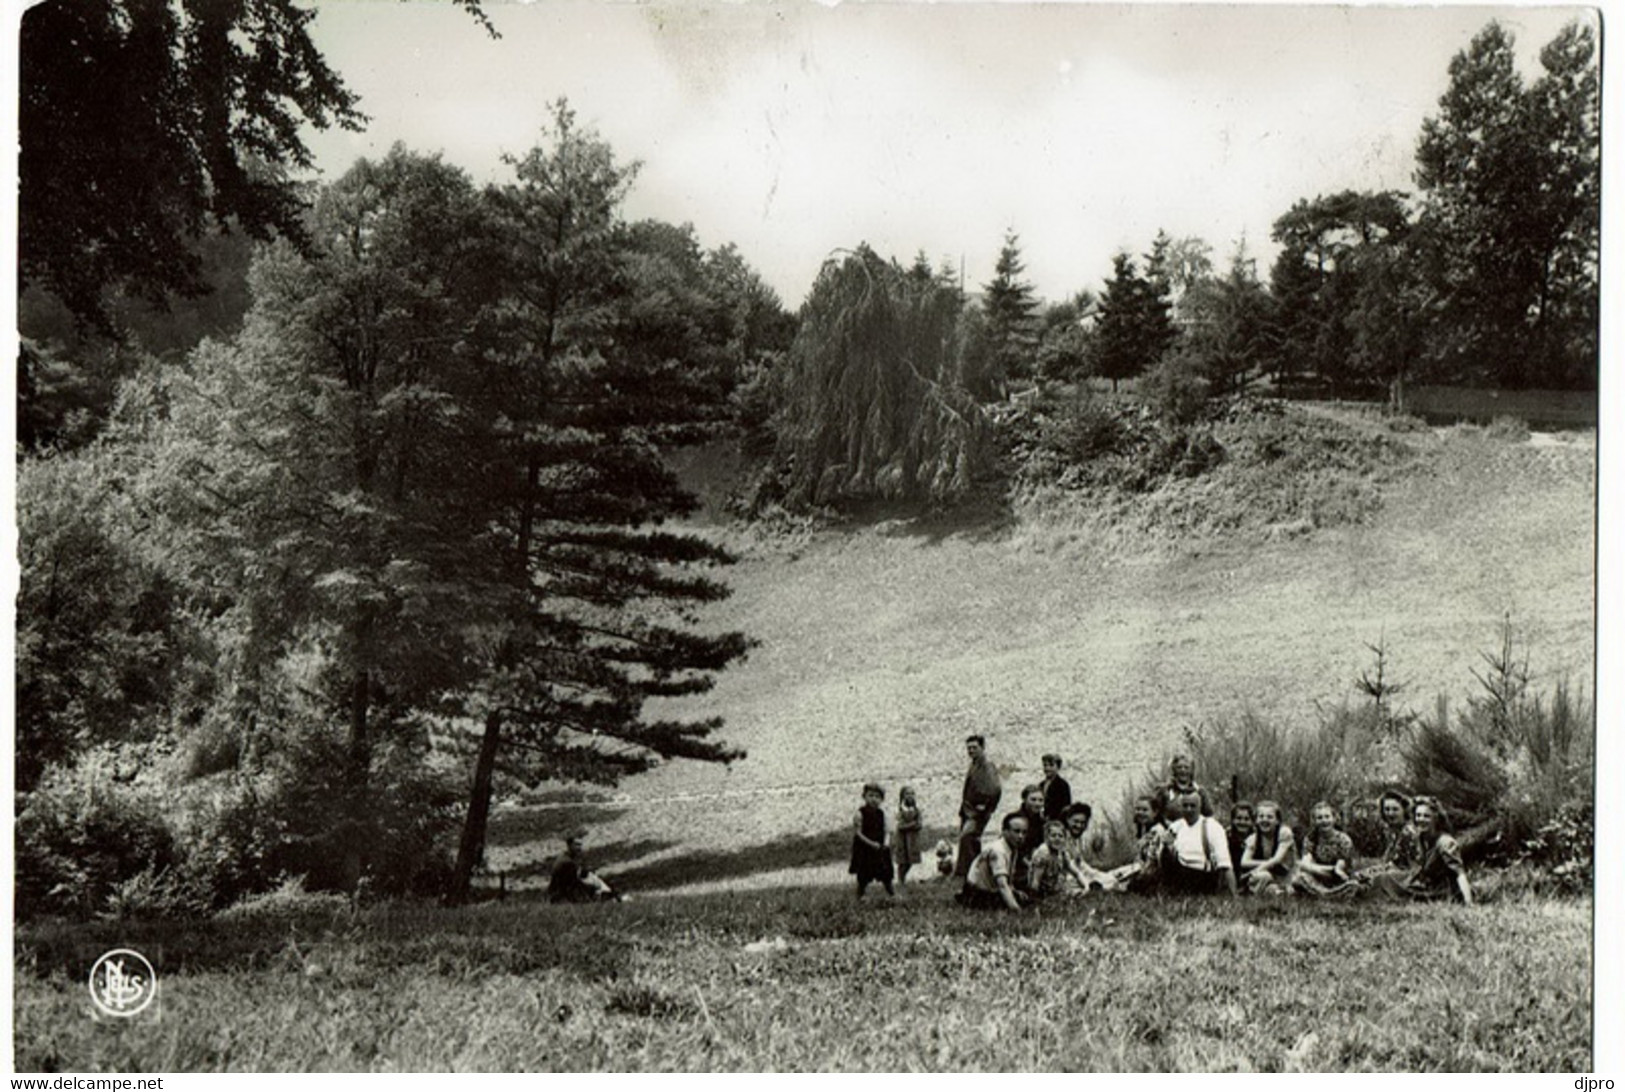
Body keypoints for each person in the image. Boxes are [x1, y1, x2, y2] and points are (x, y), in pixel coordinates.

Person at [1364, 797, 1474, 904]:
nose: (1421, 819)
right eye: (1418, 815)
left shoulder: (1445, 842)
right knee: (1383, 878)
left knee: (1384, 883)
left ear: (1435, 818)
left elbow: (1460, 873)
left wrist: (1469, 902)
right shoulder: (1421, 837)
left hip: (1438, 889)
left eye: (1426, 816)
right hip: (1423, 882)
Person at [1161, 789, 1237, 895]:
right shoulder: (1176, 827)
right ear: (1180, 807)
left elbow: (1225, 864)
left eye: (1193, 806)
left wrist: (1234, 896)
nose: (1189, 809)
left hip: (1203, 877)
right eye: (1185, 806)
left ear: (1200, 807)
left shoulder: (1212, 827)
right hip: (1179, 875)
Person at [958, 812, 1030, 911]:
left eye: (1024, 832)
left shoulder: (1012, 847)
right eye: (1016, 831)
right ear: (1005, 831)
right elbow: (1002, 885)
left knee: (1026, 896)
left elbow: (1008, 879)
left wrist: (1014, 891)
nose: (1021, 836)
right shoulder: (998, 851)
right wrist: (1016, 910)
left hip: (989, 889)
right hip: (978, 893)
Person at [955, 735, 1003, 879]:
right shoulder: (974, 764)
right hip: (968, 810)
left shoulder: (986, 765)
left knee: (967, 838)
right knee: (972, 841)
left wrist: (985, 806)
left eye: (974, 747)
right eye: (969, 748)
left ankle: (968, 873)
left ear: (983, 748)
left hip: (977, 812)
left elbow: (995, 788)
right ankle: (976, 872)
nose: (971, 751)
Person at [1292, 801, 1359, 897]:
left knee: (1353, 884)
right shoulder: (1311, 839)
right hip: (1319, 875)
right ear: (1314, 821)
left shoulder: (1344, 839)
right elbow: (1305, 863)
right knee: (1298, 878)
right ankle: (1328, 894)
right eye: (1320, 818)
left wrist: (1330, 870)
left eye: (1327, 817)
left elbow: (1340, 868)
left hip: (1338, 877)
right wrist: (1324, 869)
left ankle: (1322, 893)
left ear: (1334, 819)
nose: (1324, 820)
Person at [1109, 795, 1168, 892]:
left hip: (1151, 872)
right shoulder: (1144, 828)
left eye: (1145, 810)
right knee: (1112, 874)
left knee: (1116, 879)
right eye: (1138, 809)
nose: (1140, 813)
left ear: (1155, 812)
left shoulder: (1157, 831)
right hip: (1141, 867)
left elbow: (1153, 862)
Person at [1238, 800, 1297, 896]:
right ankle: (1271, 892)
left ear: (1277, 820)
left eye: (1269, 817)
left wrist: (1256, 870)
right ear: (1256, 820)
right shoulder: (1254, 838)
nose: (1264, 820)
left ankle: (1278, 890)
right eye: (1261, 816)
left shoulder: (1284, 833)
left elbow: (1277, 859)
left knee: (1293, 883)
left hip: (1286, 874)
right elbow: (1244, 862)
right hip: (1268, 873)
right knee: (1264, 876)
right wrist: (1262, 866)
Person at [548, 827, 622, 903]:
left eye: (580, 845)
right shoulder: (567, 862)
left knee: (593, 879)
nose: (579, 848)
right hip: (561, 896)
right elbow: (574, 884)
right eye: (576, 845)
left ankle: (611, 895)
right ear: (569, 846)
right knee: (595, 884)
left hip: (561, 893)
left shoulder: (566, 857)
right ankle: (612, 897)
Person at [849, 782, 896, 898]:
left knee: (886, 872)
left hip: (879, 846)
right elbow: (858, 833)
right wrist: (871, 843)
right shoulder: (860, 814)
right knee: (864, 873)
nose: (873, 799)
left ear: (881, 799)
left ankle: (891, 893)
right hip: (865, 847)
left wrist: (886, 842)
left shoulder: (882, 814)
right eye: (870, 796)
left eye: (877, 797)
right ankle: (860, 894)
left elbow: (886, 829)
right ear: (864, 796)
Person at [1059, 802, 1115, 894]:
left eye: (1083, 823)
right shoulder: (1061, 838)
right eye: (1076, 821)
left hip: (1078, 874)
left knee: (1111, 879)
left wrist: (1098, 874)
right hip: (1067, 877)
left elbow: (1081, 864)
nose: (1079, 826)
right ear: (1068, 820)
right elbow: (1070, 867)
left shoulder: (1074, 840)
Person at [1003, 783, 1048, 891]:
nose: (1037, 804)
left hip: (1033, 859)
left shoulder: (1042, 822)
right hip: (1013, 861)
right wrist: (1028, 863)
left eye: (1040, 800)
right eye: (1033, 799)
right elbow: (1010, 847)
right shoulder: (1013, 819)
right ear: (1024, 799)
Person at [1024, 819, 1072, 901]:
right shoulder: (1043, 853)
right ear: (1046, 838)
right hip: (1042, 891)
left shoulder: (1062, 852)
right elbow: (1035, 881)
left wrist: (1085, 886)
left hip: (1054, 887)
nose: (1057, 839)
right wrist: (1034, 900)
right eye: (1053, 835)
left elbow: (1074, 871)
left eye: (1060, 836)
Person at [1160, 754, 1214, 818]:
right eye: (1179, 767)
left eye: (1186, 767)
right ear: (1174, 770)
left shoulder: (1200, 791)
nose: (1183, 770)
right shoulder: (1165, 790)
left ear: (1191, 770)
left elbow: (1209, 815)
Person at [894, 785, 923, 889]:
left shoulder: (916, 809)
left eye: (912, 794)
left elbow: (919, 824)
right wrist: (912, 824)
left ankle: (903, 878)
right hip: (902, 839)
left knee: (911, 860)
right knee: (903, 861)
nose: (910, 796)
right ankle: (900, 880)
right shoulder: (901, 810)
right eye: (907, 794)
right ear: (902, 796)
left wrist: (915, 824)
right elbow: (900, 826)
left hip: (912, 840)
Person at [1040, 753, 1073, 823]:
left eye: (1051, 765)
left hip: (1057, 821)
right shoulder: (1041, 785)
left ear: (1058, 767)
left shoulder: (1063, 785)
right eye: (1045, 765)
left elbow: (1066, 807)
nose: (1047, 768)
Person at [1226, 802, 1256, 874]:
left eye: (1246, 819)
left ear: (1252, 821)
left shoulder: (1257, 838)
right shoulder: (1226, 838)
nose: (1242, 822)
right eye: (1239, 818)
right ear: (1233, 820)